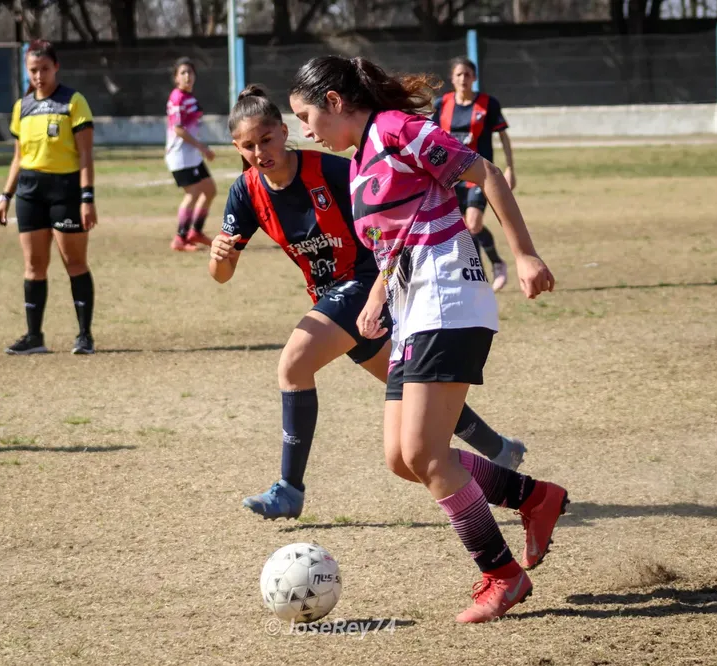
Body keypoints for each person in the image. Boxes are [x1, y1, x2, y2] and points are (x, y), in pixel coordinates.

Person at [289, 56, 569, 623]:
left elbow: (483, 173)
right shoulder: (365, 156)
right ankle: (535, 498)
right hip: (414, 309)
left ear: (336, 101)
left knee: (424, 452)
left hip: (449, 299)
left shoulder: (395, 130)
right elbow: (396, 243)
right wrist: (374, 301)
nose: (305, 129)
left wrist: (523, 255)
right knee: (402, 458)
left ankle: (501, 575)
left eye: (305, 114)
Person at [210, 85, 527, 521]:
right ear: (237, 148)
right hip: (335, 300)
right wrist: (219, 260)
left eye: (266, 140)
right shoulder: (246, 193)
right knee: (414, 393)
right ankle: (498, 448)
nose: (260, 152)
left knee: (293, 365)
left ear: (284, 133)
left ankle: (289, 488)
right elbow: (222, 276)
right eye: (248, 146)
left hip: (367, 282)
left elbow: (390, 214)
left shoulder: (332, 170)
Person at [0, 40, 97, 355]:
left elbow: (85, 155)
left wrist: (87, 197)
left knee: (74, 263)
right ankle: (34, 337)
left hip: (65, 192)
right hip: (29, 192)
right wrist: (5, 195)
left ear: (56, 68)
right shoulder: (21, 107)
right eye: (33, 70)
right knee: (33, 266)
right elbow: (18, 157)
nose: (39, 76)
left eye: (44, 69)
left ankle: (84, 336)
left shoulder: (73, 102)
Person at [432, 56, 515, 292]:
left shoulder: (488, 104)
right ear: (452, 78)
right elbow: (432, 139)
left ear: (474, 78)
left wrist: (509, 168)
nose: (463, 79)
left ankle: (497, 264)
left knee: (473, 222)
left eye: (467, 74)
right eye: (458, 74)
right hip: (450, 175)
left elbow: (503, 136)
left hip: (480, 175)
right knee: (464, 227)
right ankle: (478, 275)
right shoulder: (442, 104)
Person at [166, 57, 216, 251]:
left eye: (190, 72)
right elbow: (177, 129)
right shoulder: (177, 98)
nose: (188, 76)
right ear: (176, 78)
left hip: (191, 155)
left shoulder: (189, 97)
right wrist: (202, 147)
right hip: (181, 156)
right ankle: (180, 238)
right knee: (193, 194)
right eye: (183, 73)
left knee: (209, 190)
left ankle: (195, 231)